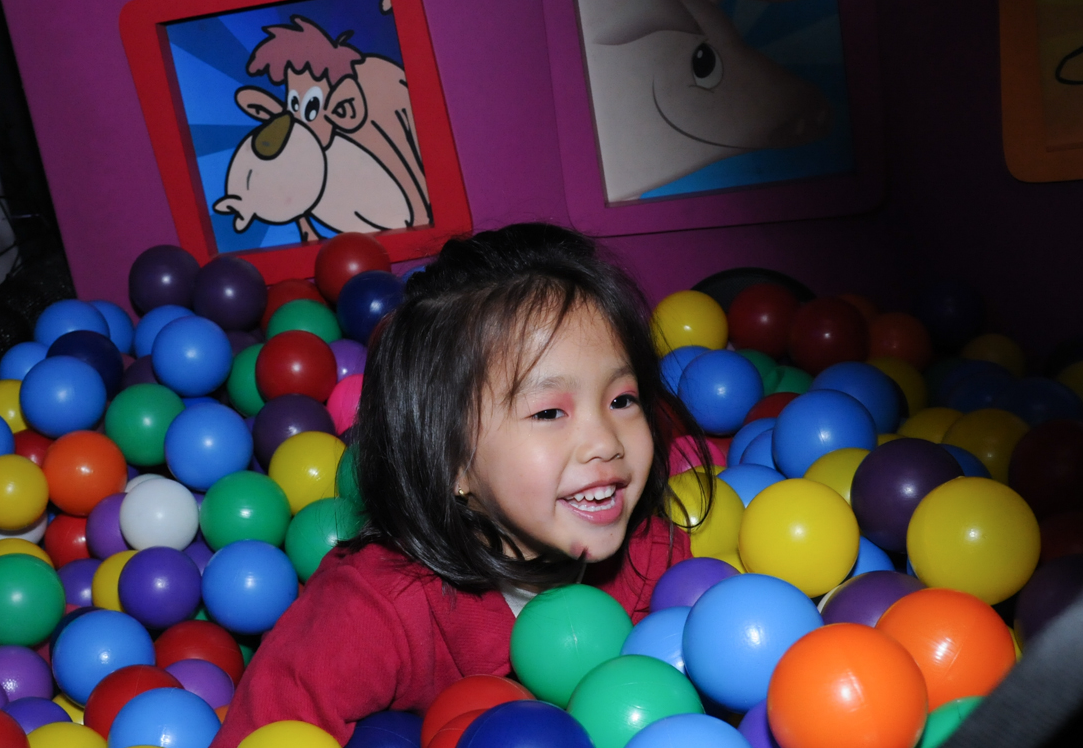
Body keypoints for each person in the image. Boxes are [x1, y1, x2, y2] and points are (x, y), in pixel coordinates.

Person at [210, 222, 714, 747]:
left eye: (622, 400)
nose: (605, 441)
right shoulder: (375, 607)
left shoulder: (659, 561)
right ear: (452, 462)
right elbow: (267, 731)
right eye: (548, 412)